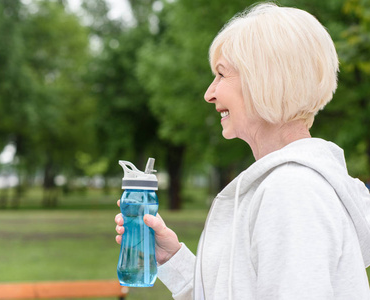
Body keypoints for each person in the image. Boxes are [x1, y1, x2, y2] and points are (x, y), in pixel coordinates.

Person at [115, 3, 370, 299]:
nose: (209, 94)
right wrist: (172, 259)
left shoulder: (292, 191)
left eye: (222, 75)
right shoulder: (281, 185)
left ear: (264, 80)